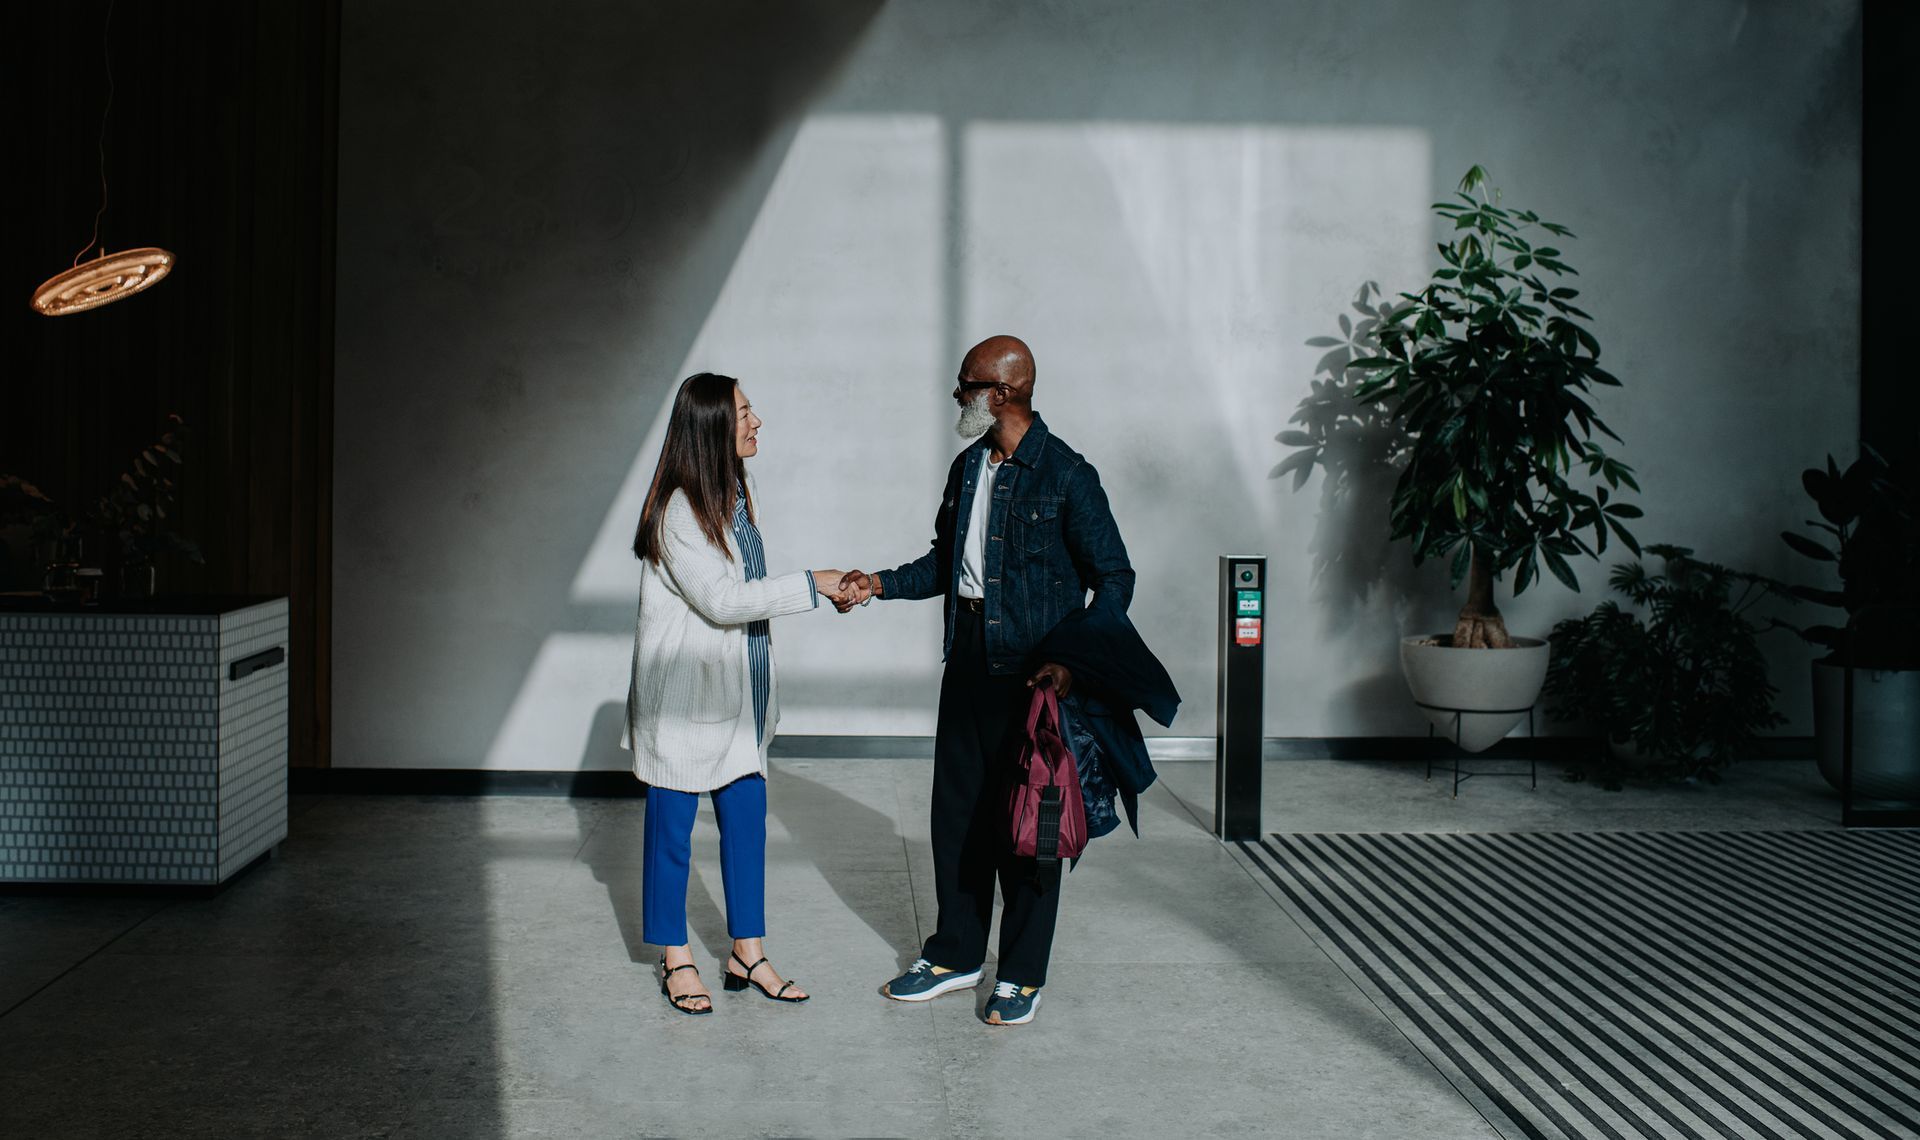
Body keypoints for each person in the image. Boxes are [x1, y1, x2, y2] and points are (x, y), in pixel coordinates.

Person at [836, 335, 1136, 1026]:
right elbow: (946, 563)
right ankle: (956, 955)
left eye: (966, 384)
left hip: (1037, 675)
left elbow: (1114, 577)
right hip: (969, 658)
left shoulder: (1067, 474)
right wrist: (876, 583)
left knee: (1031, 823)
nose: (956, 395)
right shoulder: (969, 466)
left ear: (1001, 393)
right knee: (958, 817)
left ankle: (1022, 974)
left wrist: (1073, 661)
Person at [623, 372, 855, 1015]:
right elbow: (723, 601)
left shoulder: (735, 490)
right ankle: (675, 957)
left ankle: (747, 952)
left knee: (747, 826)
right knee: (671, 834)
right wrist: (814, 584)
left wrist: (816, 591)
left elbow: (744, 591)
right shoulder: (677, 511)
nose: (757, 422)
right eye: (745, 412)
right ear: (712, 428)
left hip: (740, 691)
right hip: (684, 702)